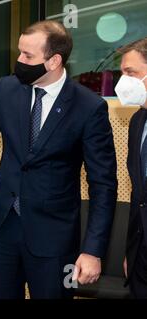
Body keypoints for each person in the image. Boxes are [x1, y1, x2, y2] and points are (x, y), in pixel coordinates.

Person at [0, 20, 117, 299]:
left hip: (55, 240)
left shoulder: (89, 107)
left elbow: (103, 185)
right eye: (19, 52)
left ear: (54, 60)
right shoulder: (6, 89)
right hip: (1, 229)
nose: (19, 61)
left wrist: (92, 250)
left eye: (27, 56)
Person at [118, 37, 147, 298]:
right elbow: (138, 195)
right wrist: (132, 252)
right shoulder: (137, 121)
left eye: (131, 73)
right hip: (141, 256)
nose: (123, 82)